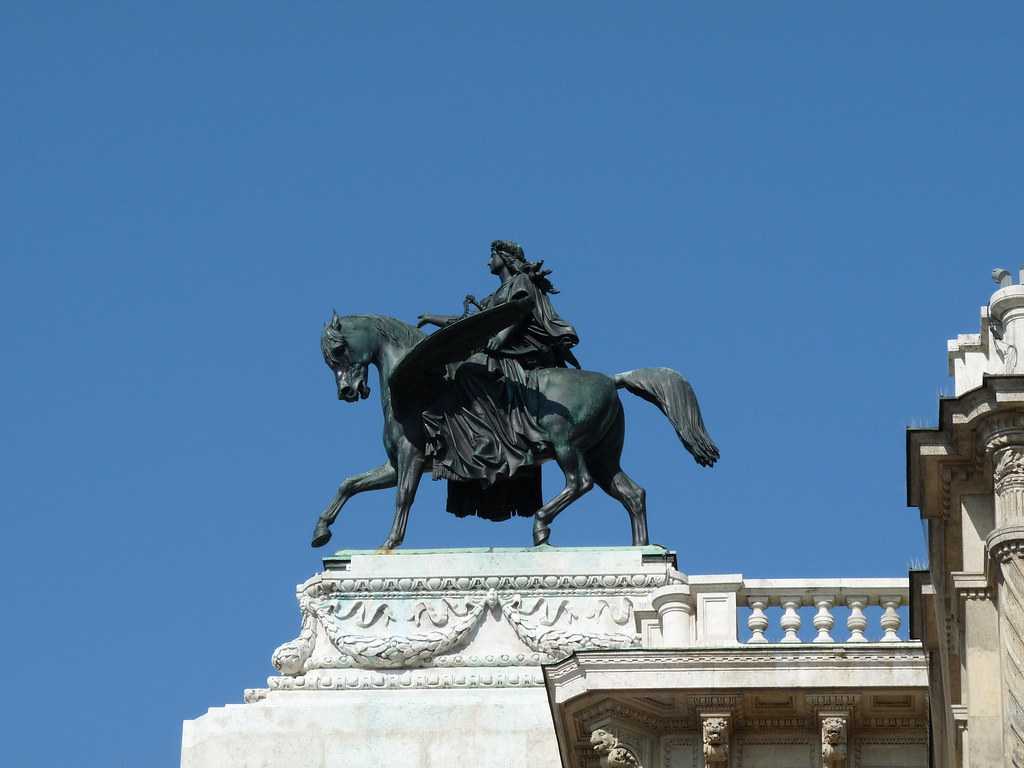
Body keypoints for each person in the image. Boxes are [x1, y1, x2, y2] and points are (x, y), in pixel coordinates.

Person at [417, 240, 580, 520]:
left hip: (512, 358)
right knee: (456, 370)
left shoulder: (521, 282)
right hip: (496, 354)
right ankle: (476, 440)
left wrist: (498, 338)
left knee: (466, 372)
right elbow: (469, 323)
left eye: (490, 256)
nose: (487, 262)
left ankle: (486, 441)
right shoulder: (497, 293)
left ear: (503, 257)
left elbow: (520, 312)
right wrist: (433, 318)